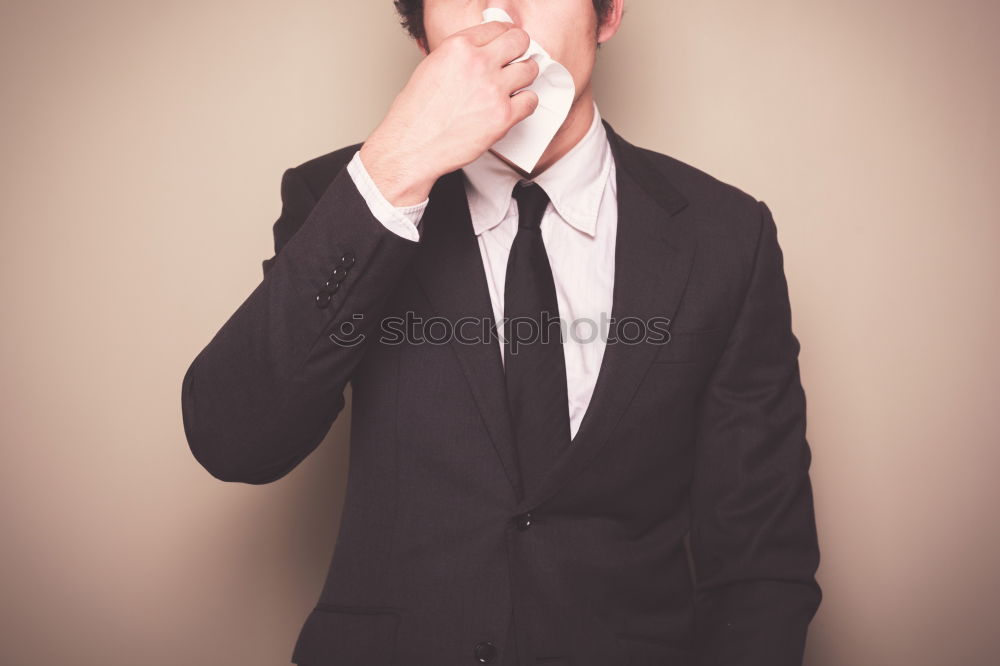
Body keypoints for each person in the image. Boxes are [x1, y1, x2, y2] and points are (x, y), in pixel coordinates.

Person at [180, 1, 823, 664]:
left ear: (607, 16)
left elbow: (760, 559)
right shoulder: (345, 196)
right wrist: (395, 167)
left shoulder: (724, 238)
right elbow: (235, 442)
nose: (500, 14)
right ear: (421, 31)